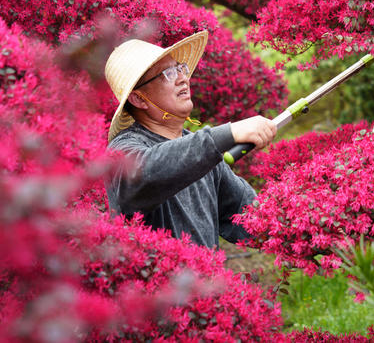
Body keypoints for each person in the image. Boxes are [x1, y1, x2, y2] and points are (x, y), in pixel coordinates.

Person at [104, 30, 277, 248]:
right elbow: (144, 174)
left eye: (180, 68)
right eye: (167, 73)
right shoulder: (123, 150)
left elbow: (249, 214)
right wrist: (227, 134)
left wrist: (311, 225)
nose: (183, 78)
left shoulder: (202, 151)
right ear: (139, 98)